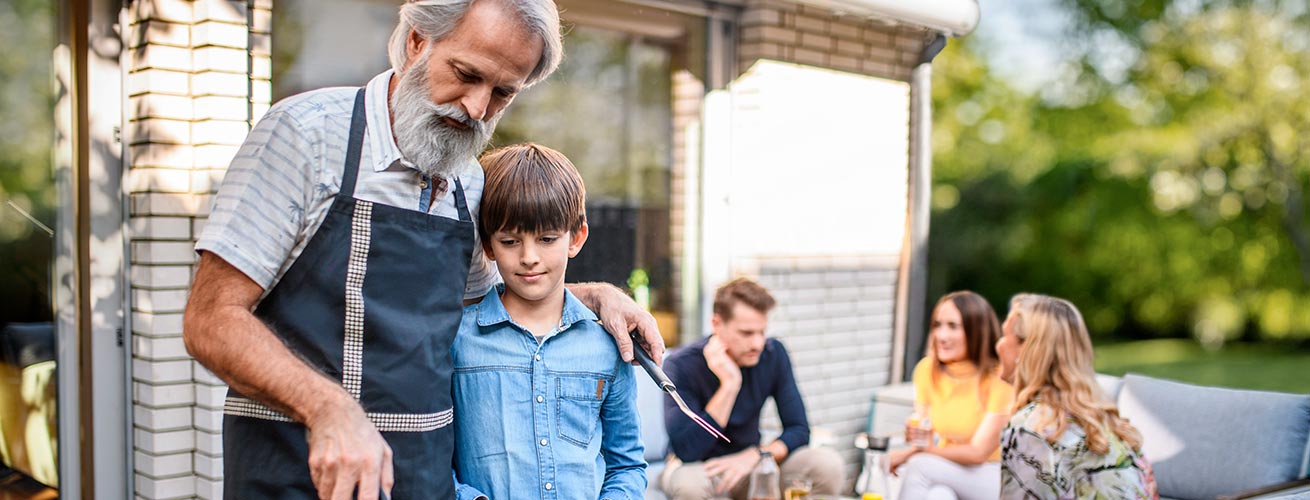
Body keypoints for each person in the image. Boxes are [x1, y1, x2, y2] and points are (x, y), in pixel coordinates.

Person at [181, 2, 664, 499]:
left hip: (424, 482)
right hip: (296, 474)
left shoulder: (468, 181)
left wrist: (594, 295)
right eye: (466, 74)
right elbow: (210, 320)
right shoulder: (306, 135)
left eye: (502, 93)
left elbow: (491, 301)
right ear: (416, 41)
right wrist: (330, 408)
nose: (477, 108)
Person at [451, 143, 646, 499]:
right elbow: (432, 461)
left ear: (577, 237)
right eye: (510, 241)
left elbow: (627, 465)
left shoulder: (607, 346)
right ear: (488, 245)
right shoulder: (458, 342)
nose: (529, 257)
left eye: (547, 239)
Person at [660, 278, 844, 500]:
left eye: (762, 332)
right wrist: (729, 386)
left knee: (827, 465)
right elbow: (687, 450)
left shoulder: (773, 354)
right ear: (717, 324)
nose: (757, 343)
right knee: (689, 487)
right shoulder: (680, 365)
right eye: (747, 333)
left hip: (751, 464)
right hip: (700, 469)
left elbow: (799, 430)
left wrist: (755, 456)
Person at [996, 294, 1157, 500]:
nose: (998, 345)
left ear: (1026, 350)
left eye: (1004, 335)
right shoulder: (1106, 420)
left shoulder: (1031, 428)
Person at [890, 291, 1014, 500]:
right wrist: (914, 436)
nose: (941, 336)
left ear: (976, 331)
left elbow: (977, 453)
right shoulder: (927, 370)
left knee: (919, 467)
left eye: (953, 326)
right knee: (939, 495)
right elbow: (925, 432)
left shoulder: (999, 378)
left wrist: (912, 454)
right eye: (937, 325)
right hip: (947, 468)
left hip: (992, 473)